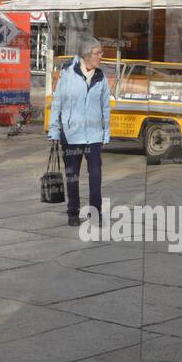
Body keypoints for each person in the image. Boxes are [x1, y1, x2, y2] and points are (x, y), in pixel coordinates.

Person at [47, 38, 110, 227]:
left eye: (101, 52)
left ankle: (95, 212)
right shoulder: (67, 75)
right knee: (72, 176)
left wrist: (106, 132)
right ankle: (73, 212)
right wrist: (54, 131)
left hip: (94, 136)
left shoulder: (101, 77)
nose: (101, 56)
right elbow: (57, 103)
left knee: (96, 175)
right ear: (86, 55)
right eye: (97, 53)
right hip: (71, 135)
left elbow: (105, 107)